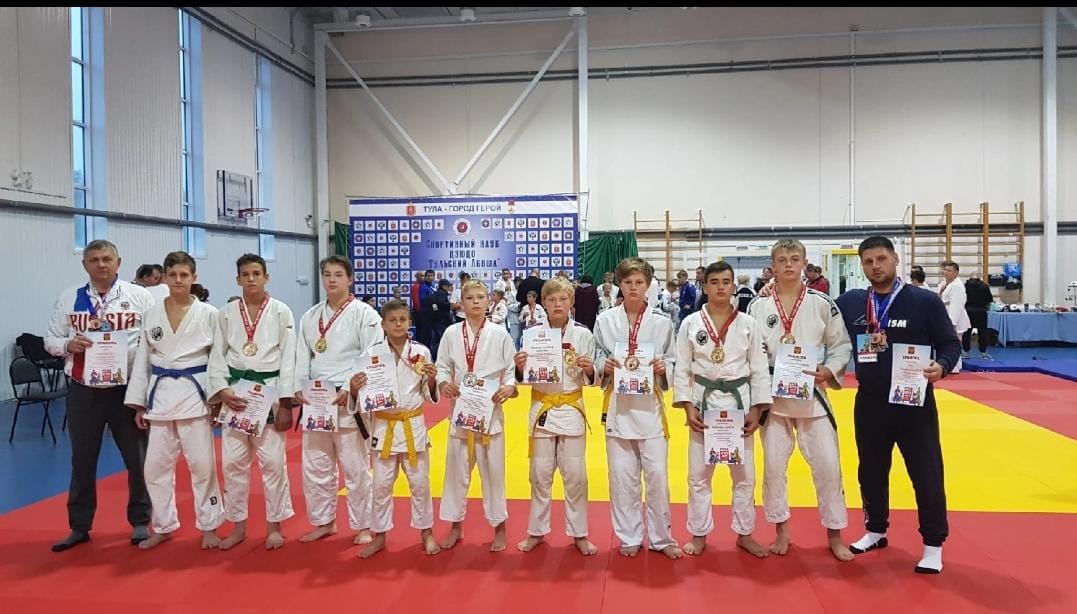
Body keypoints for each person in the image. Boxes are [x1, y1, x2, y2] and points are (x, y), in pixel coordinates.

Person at [835, 236, 960, 574]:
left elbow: (950, 344)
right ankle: (875, 529)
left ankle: (933, 545)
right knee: (871, 471)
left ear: (895, 259)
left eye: (881, 259)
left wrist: (942, 366)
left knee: (926, 474)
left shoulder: (923, 301)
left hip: (913, 403)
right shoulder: (851, 302)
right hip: (870, 402)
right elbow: (818, 318)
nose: (876, 266)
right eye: (868, 262)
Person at [748, 240, 854, 561]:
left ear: (805, 263)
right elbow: (750, 351)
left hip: (812, 394)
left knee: (828, 466)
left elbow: (841, 345)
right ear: (773, 266)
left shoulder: (822, 303)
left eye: (795, 259)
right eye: (782, 260)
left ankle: (835, 534)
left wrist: (829, 370)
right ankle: (781, 530)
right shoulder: (758, 306)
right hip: (773, 399)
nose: (789, 265)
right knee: (774, 468)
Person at [45, 240, 154, 552]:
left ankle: (140, 521)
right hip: (84, 389)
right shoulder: (70, 297)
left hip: (126, 388)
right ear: (85, 265)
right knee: (82, 459)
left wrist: (146, 390)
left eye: (107, 259)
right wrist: (67, 345)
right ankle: (79, 526)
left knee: (137, 458)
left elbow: (152, 340)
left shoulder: (139, 296)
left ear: (119, 262)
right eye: (94, 259)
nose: (101, 264)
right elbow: (50, 338)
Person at [124, 251, 224, 549]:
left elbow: (218, 359)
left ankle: (210, 526)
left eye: (184, 275)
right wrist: (139, 403)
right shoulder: (152, 313)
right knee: (154, 468)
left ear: (194, 278)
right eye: (173, 275)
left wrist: (217, 398)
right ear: (164, 278)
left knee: (203, 466)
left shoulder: (209, 314)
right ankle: (163, 525)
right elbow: (143, 359)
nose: (178, 280)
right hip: (161, 396)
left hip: (196, 395)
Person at [674, 261, 771, 558]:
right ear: (705, 286)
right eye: (714, 282)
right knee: (698, 475)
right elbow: (682, 368)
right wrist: (687, 407)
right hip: (703, 403)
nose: (720, 287)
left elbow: (759, 369)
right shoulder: (691, 323)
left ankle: (745, 533)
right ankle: (699, 532)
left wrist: (757, 410)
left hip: (739, 403)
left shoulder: (749, 324)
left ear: (733, 286)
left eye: (725, 282)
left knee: (744, 475)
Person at [593, 257, 682, 559]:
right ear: (620, 284)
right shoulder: (605, 320)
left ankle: (662, 538)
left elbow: (673, 359)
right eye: (628, 282)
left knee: (657, 477)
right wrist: (602, 366)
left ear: (648, 285)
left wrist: (664, 368)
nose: (633, 287)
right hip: (618, 408)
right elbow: (596, 355)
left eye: (639, 282)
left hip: (650, 409)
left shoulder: (662, 322)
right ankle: (629, 535)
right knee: (622, 478)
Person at [207, 253, 296, 550]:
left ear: (266, 277)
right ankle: (238, 527)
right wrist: (221, 392)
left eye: (256, 273)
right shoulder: (226, 313)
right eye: (245, 274)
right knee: (233, 464)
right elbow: (217, 355)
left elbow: (289, 358)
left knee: (273, 463)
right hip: (236, 393)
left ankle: (274, 527)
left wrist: (286, 404)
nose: (251, 279)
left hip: (269, 393)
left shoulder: (281, 311)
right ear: (237, 279)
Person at [293, 255, 382, 547]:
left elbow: (371, 353)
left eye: (338, 275)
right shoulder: (310, 316)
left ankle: (364, 525)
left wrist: (349, 387)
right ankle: (324, 522)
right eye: (327, 274)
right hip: (316, 400)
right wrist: (298, 387)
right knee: (316, 466)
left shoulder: (364, 314)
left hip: (348, 400)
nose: (331, 280)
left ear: (350, 279)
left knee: (355, 467)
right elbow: (302, 354)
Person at [515, 277, 599, 556]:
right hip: (542, 408)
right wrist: (520, 367)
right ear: (543, 303)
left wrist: (589, 369)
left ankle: (579, 534)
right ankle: (536, 531)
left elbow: (592, 381)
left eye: (563, 299)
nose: (557, 304)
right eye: (551, 300)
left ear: (572, 302)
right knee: (539, 475)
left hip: (571, 409)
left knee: (576, 476)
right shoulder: (532, 333)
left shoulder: (583, 334)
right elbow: (523, 379)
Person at [351, 300, 440, 558]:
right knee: (381, 486)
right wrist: (355, 389)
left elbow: (428, 394)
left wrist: (431, 379)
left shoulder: (421, 352)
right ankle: (379, 535)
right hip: (384, 427)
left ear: (409, 322)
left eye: (403, 319)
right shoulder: (371, 355)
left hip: (413, 426)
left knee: (420, 484)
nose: (398, 324)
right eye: (392, 320)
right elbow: (362, 396)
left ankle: (426, 532)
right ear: (383, 324)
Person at [436, 280, 518, 552]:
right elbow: (442, 366)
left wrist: (509, 387)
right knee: (456, 473)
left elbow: (511, 369)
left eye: (480, 297)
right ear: (461, 302)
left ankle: (500, 528)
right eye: (469, 297)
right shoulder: (451, 333)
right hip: (461, 409)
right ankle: (455, 526)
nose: (475, 301)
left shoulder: (500, 333)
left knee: (494, 474)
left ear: (489, 301)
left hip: (489, 411)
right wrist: (443, 383)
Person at [937, 261, 970, 371]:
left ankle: (955, 366)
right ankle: (952, 365)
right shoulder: (944, 283)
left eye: (949, 270)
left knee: (953, 342)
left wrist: (952, 322)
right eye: (945, 270)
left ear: (956, 273)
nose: (945, 272)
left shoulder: (957, 286)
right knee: (946, 342)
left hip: (954, 317)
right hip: (944, 315)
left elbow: (957, 305)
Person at [963, 272, 994, 359]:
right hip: (981, 312)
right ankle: (983, 353)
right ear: (979, 278)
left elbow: (962, 300)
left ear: (970, 278)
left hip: (968, 311)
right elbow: (989, 300)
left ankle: (965, 352)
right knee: (982, 333)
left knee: (966, 333)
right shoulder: (984, 286)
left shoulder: (965, 286)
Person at [422, 279, 453, 358]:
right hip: (441, 322)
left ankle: (434, 356)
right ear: (444, 286)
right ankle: (438, 357)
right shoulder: (442, 293)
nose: (449, 288)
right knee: (440, 341)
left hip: (435, 321)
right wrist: (450, 305)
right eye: (448, 286)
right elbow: (441, 303)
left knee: (435, 340)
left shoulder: (436, 293)